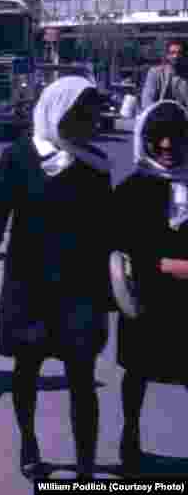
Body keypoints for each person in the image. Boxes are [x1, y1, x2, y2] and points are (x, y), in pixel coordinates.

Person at [0, 77, 113, 480]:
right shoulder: (21, 156)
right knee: (27, 369)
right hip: (30, 283)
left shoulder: (95, 163)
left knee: (82, 378)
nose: (90, 121)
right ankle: (30, 441)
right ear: (57, 112)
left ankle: (85, 465)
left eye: (92, 113)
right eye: (80, 113)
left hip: (81, 286)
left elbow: (109, 225)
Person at [111, 100, 188, 473]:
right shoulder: (131, 188)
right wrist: (165, 265)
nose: (167, 147)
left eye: (175, 138)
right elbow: (119, 245)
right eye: (158, 138)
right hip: (146, 299)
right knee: (138, 372)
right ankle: (131, 440)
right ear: (145, 140)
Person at [140, 39, 188, 109]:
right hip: (157, 115)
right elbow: (147, 101)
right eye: (172, 53)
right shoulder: (154, 73)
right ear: (167, 55)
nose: (176, 56)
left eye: (179, 53)